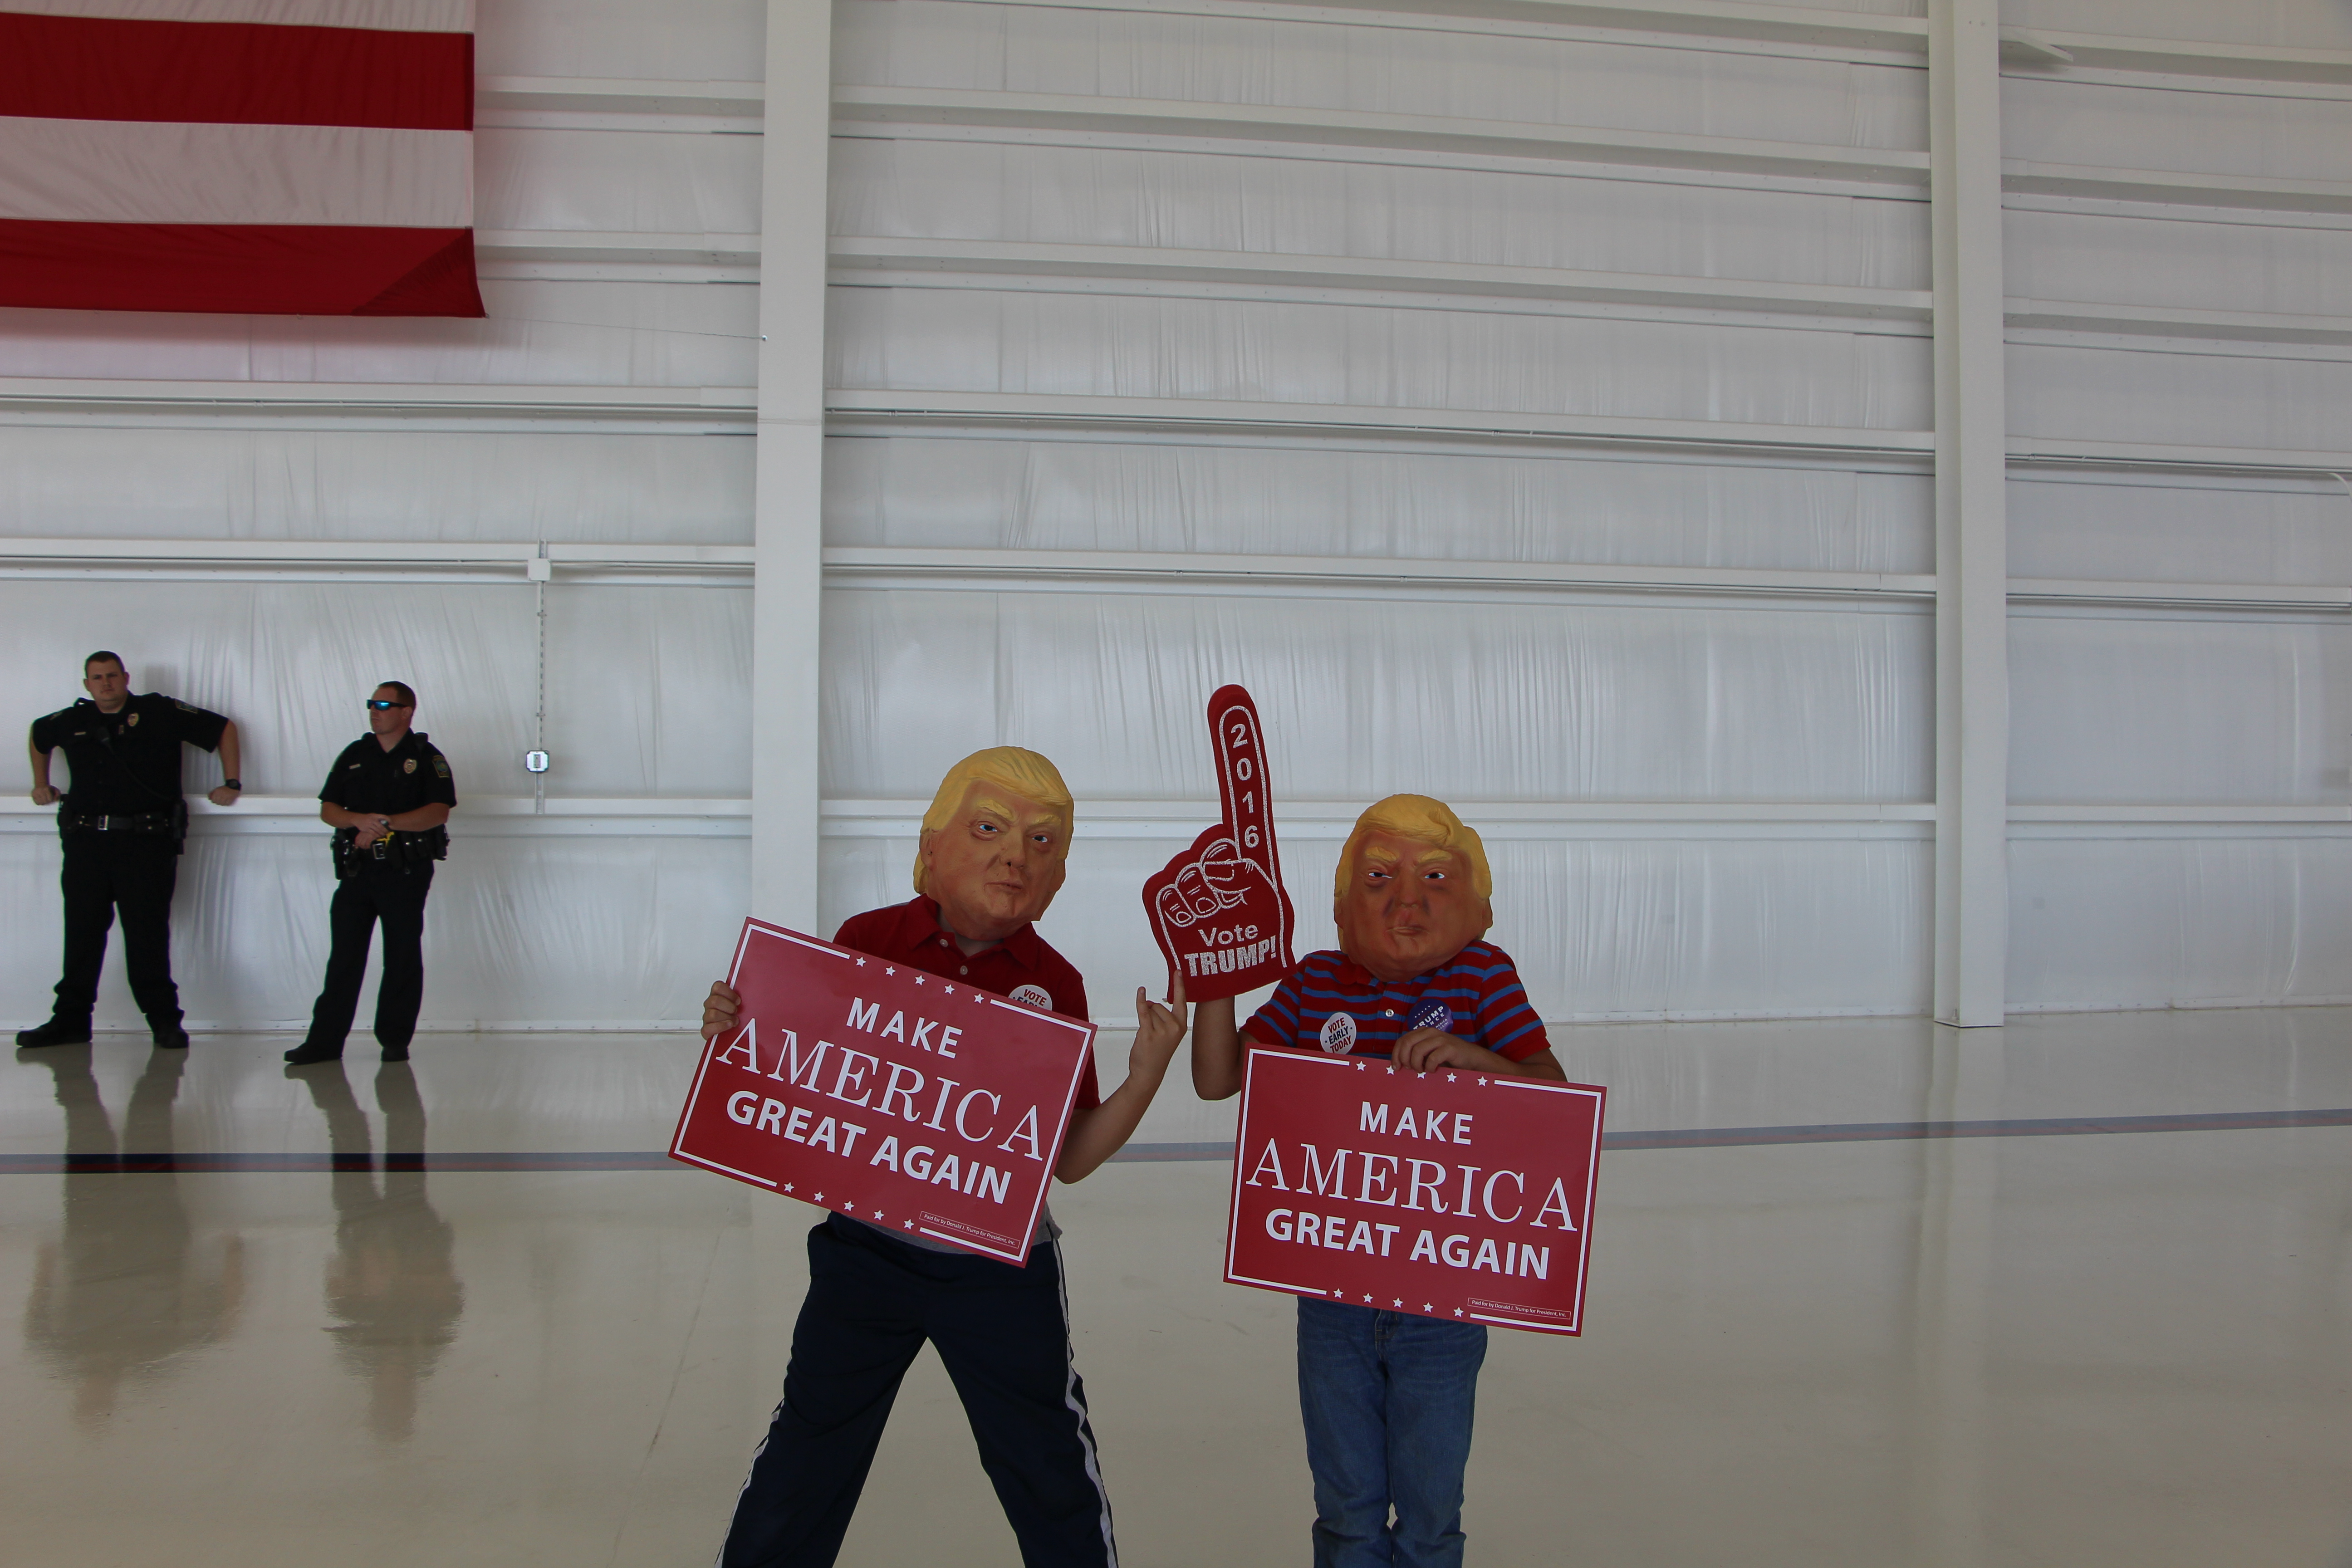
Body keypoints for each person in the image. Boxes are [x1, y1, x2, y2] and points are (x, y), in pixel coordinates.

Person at [699, 746, 1187, 1568]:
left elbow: (1065, 1160)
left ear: (1059, 877)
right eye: (990, 829)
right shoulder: (866, 942)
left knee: (1045, 1462)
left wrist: (1142, 1080)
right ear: (930, 850)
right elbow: (805, 1082)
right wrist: (736, 1030)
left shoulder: (1055, 984)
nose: (1014, 856)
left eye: (1042, 843)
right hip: (865, 1253)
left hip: (1000, 1266)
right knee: (807, 1452)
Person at [1184, 794, 1565, 1568]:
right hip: (1331, 1299)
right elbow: (1218, 1077)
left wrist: (1478, 1060)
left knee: (1430, 1518)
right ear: (1340, 902)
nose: (1405, 900)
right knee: (1347, 1513)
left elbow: (1551, 1095)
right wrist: (1214, 969)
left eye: (1432, 877)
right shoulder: (1313, 981)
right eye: (1379, 877)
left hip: (1443, 1302)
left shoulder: (1481, 977)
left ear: (1477, 904)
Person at [19, 651, 242, 1049]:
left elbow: (223, 728)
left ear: (126, 677)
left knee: (146, 936)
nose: (105, 684)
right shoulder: (74, 720)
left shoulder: (159, 711)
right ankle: (70, 1021)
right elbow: (39, 735)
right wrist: (41, 782)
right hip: (87, 843)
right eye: (97, 678)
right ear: (86, 684)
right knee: (83, 934)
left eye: (111, 676)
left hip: (145, 843)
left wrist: (232, 782)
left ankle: (164, 1022)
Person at [284, 682, 455, 1066]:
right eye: (371, 704)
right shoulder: (355, 754)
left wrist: (384, 823)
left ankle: (394, 1040)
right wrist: (356, 820)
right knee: (344, 957)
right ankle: (325, 1042)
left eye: (383, 705)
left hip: (404, 871)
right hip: (357, 870)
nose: (374, 711)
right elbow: (329, 808)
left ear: (407, 711)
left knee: (401, 956)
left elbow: (438, 811)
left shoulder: (426, 757)